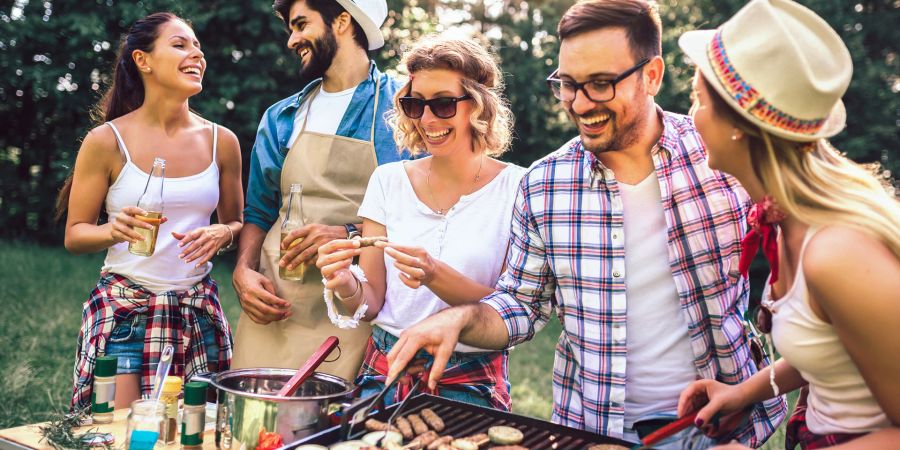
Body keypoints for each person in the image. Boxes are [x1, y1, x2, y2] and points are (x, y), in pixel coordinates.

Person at [385, 1, 787, 448]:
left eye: (599, 84)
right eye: (568, 85)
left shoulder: (720, 154)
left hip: (719, 428)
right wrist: (461, 319)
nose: (579, 104)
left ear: (652, 75)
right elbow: (521, 304)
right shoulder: (544, 185)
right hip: (589, 429)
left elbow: (801, 258)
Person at [674, 1, 900, 449]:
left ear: (739, 123)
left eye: (699, 98)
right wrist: (743, 392)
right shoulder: (785, 219)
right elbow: (838, 349)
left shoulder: (838, 252)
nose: (691, 114)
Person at [316, 35, 522, 410]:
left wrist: (433, 274)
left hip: (470, 380)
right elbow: (373, 302)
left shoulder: (518, 188)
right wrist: (346, 283)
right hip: (385, 372)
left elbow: (511, 309)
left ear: (479, 105)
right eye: (415, 104)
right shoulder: (387, 180)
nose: (427, 120)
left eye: (443, 104)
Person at [61, 12, 243, 410]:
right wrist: (113, 230)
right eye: (180, 44)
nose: (196, 53)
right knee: (120, 432)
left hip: (198, 314)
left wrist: (223, 233)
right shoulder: (106, 141)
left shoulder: (222, 142)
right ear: (143, 60)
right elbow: (75, 234)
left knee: (197, 432)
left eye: (197, 46)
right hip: (127, 314)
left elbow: (237, 223)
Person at [230, 0, 407, 381]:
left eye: (300, 24)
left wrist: (348, 235)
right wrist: (243, 270)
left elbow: (421, 211)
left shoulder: (402, 108)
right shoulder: (282, 116)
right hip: (276, 305)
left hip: (355, 308)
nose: (292, 40)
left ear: (342, 20)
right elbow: (259, 211)